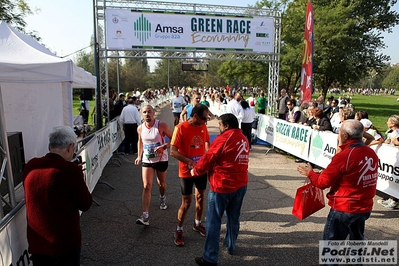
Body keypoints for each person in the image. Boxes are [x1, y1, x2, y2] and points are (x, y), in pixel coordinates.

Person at [297, 119, 378, 241]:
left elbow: (322, 183)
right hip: (363, 207)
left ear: (345, 135)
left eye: (340, 132)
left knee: (331, 247)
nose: (338, 135)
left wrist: (310, 173)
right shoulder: (370, 152)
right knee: (357, 241)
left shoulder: (344, 156)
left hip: (344, 208)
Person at [23, 126, 92, 266]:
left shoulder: (31, 165)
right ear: (70, 147)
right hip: (64, 244)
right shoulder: (70, 170)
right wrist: (79, 176)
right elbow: (85, 203)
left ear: (50, 145)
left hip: (38, 242)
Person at [192, 113, 249, 266]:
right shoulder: (243, 138)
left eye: (220, 125)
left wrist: (196, 171)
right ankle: (230, 245)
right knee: (233, 217)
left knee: (213, 221)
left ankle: (210, 257)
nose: (219, 128)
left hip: (223, 184)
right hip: (241, 183)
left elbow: (209, 157)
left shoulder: (224, 138)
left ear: (226, 125)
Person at [170, 104, 210, 246]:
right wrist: (189, 162)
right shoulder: (180, 128)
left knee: (200, 197)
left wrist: (207, 157)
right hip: (186, 170)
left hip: (201, 169)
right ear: (195, 116)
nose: (206, 121)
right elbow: (173, 151)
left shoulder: (203, 126)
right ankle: (179, 229)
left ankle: (197, 223)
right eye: (204, 118)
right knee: (186, 202)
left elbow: (206, 143)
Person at [134, 105, 173, 225]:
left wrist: (164, 146)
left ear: (153, 113)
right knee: (146, 185)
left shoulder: (161, 125)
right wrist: (139, 156)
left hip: (161, 159)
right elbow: (140, 141)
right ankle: (145, 216)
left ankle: (162, 197)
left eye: (149, 111)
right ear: (142, 115)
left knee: (161, 183)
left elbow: (174, 139)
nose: (147, 114)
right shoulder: (140, 128)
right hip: (148, 159)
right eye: (144, 112)